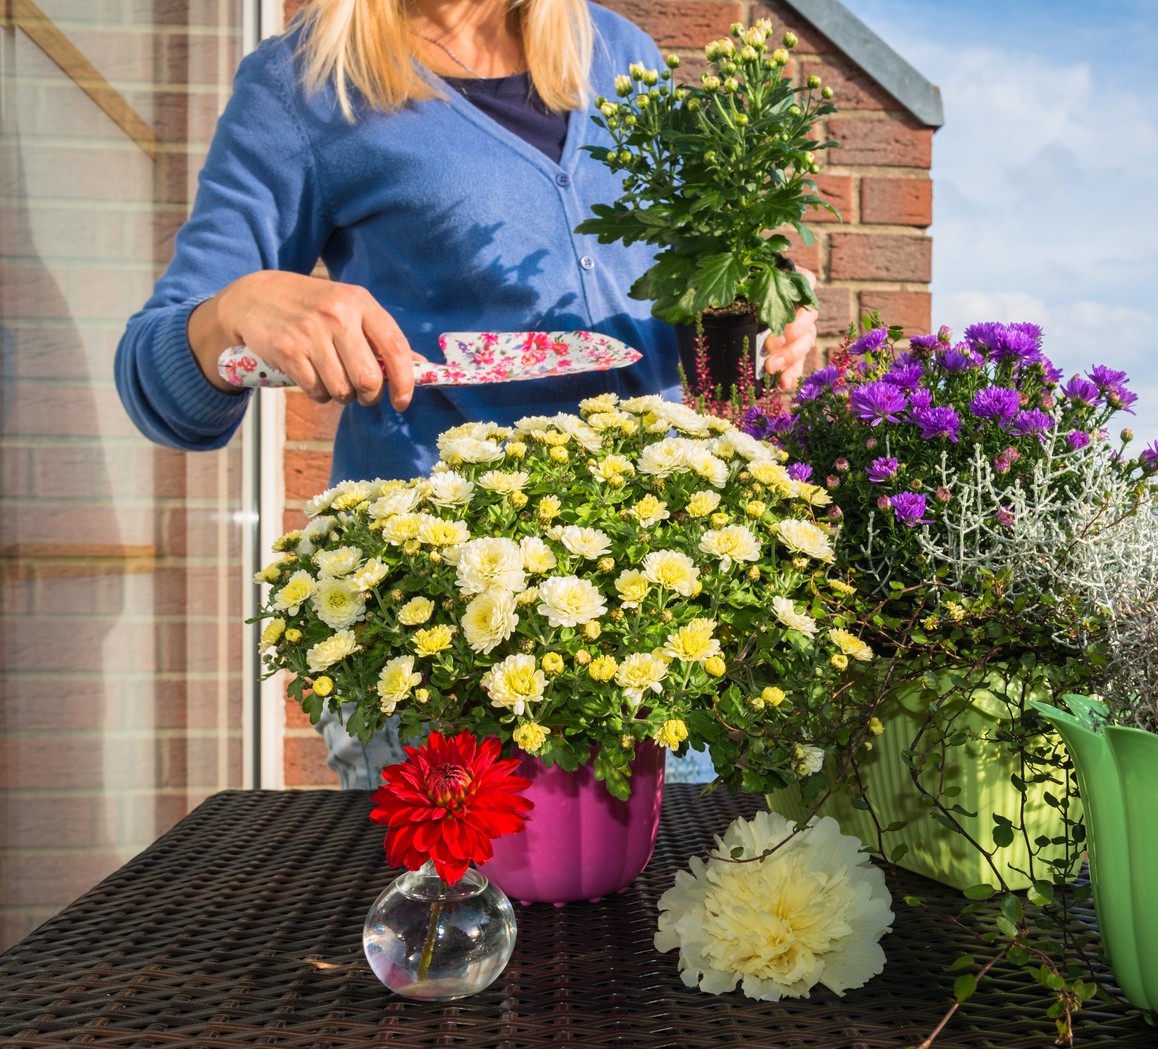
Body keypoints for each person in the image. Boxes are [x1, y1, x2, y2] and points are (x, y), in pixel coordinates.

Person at [114, 0, 818, 787]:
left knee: (675, 868)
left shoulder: (617, 53)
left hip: (652, 622)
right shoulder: (304, 86)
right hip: (442, 643)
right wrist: (236, 307)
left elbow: (696, 276)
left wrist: (764, 304)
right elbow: (154, 380)